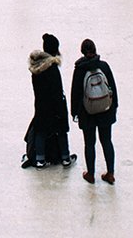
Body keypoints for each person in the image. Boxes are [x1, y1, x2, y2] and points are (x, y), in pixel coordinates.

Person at [22, 34, 75, 169]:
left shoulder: (36, 69)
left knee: (41, 130)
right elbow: (57, 91)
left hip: (40, 105)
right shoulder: (52, 69)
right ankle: (65, 157)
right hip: (54, 106)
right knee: (61, 130)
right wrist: (60, 108)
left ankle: (40, 158)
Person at [70, 38, 118, 185]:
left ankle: (90, 174)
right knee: (107, 141)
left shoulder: (80, 70)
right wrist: (114, 106)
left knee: (89, 143)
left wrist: (74, 113)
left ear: (82, 52)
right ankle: (110, 174)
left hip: (87, 112)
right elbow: (113, 88)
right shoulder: (104, 66)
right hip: (105, 110)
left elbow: (75, 93)